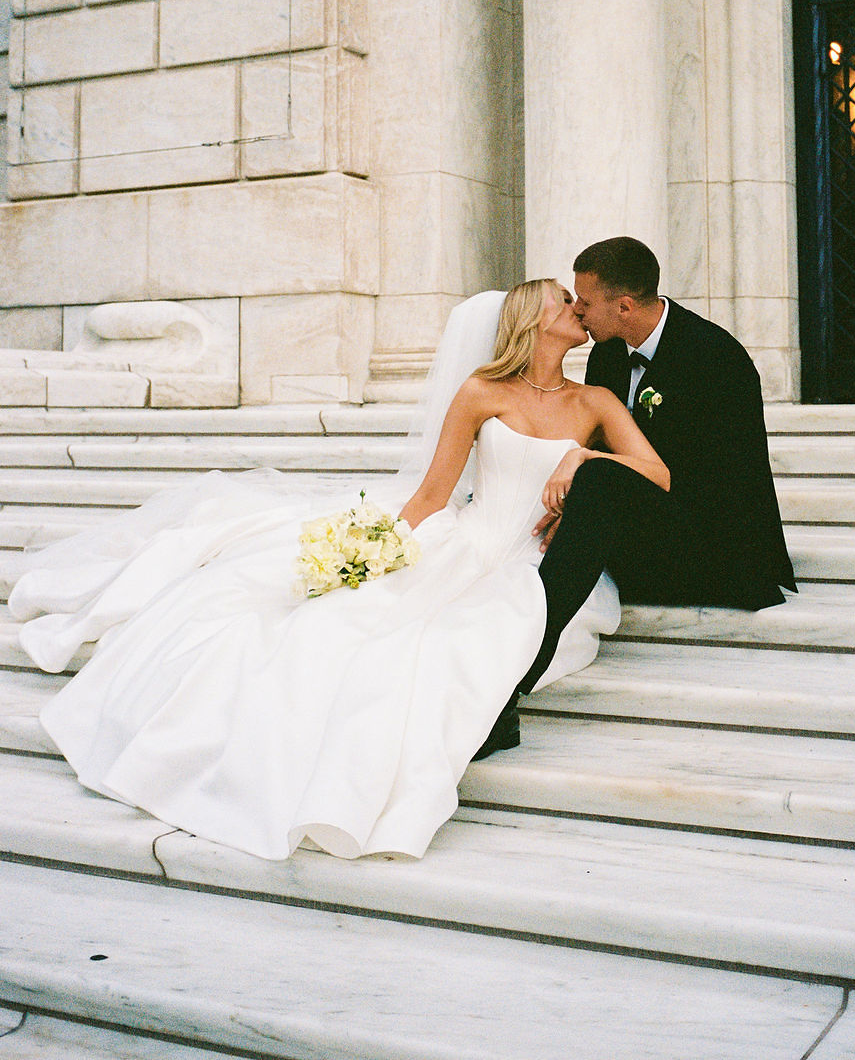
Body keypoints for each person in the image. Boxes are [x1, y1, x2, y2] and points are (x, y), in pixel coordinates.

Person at [8, 280, 667, 862]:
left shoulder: (596, 402)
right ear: (533, 319)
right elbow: (433, 496)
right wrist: (375, 552)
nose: (580, 310)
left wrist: (582, 460)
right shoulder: (482, 390)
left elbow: (657, 474)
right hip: (463, 540)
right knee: (337, 636)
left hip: (526, 559)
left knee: (471, 639)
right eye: (565, 301)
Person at [515, 237, 796, 704]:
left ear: (624, 306)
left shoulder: (715, 356)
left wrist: (597, 473)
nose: (578, 311)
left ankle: (521, 669)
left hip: (717, 548)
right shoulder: (607, 353)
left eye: (585, 302)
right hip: (643, 530)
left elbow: (721, 488)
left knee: (598, 477)